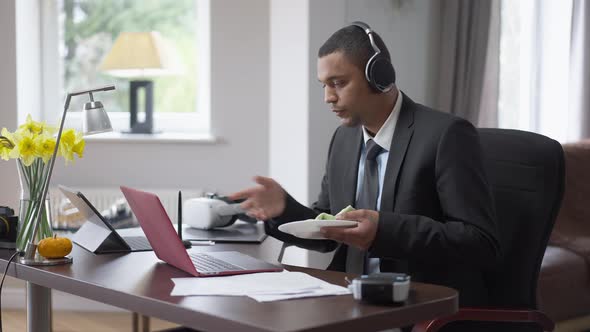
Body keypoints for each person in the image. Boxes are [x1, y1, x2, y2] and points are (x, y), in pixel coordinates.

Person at [230, 21, 501, 309]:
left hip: (419, 305)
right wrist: (283, 209)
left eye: (338, 83)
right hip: (350, 302)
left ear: (379, 76)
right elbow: (329, 228)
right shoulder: (344, 139)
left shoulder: (446, 135)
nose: (328, 97)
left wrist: (383, 231)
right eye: (324, 85)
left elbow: (479, 243)